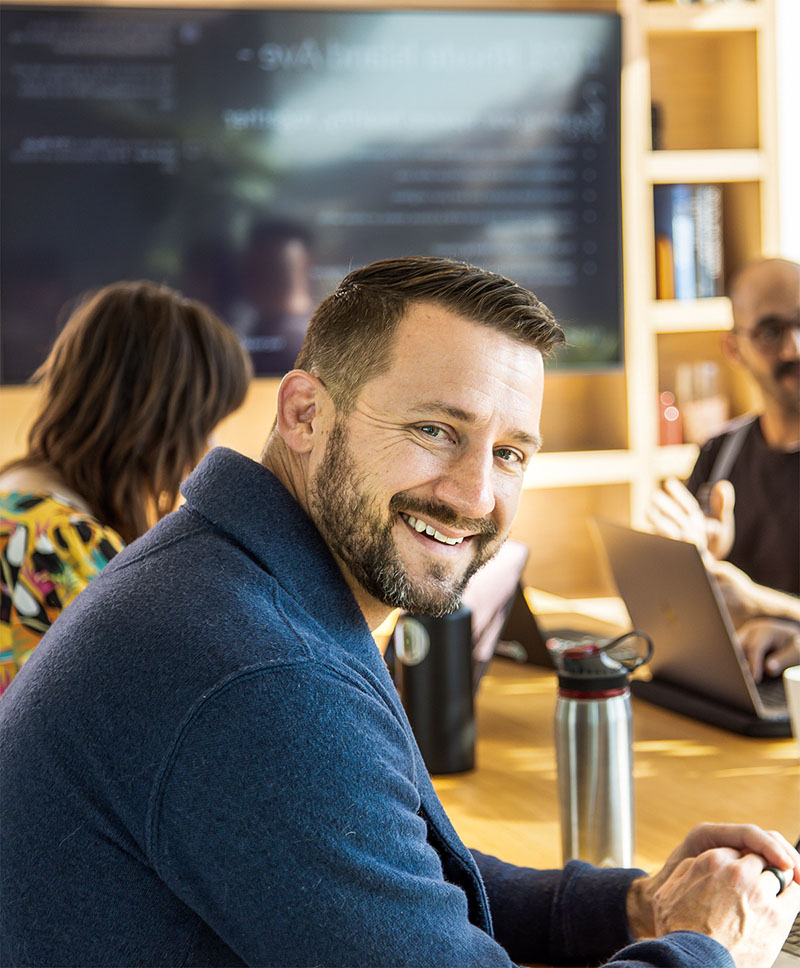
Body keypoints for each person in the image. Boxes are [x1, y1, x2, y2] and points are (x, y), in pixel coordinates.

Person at [0, 257, 797, 967]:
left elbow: (389, 870)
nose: (475, 495)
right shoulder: (262, 678)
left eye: (511, 452)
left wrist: (632, 908)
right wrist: (708, 949)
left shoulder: (231, 576)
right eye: (434, 429)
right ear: (304, 414)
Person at [0, 280, 253, 694]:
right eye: (204, 427)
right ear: (154, 422)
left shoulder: (15, 502)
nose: (208, 448)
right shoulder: (63, 546)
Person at [648, 257, 799, 597]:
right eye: (771, 332)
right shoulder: (719, 455)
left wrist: (761, 605)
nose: (794, 348)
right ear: (734, 349)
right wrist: (695, 560)